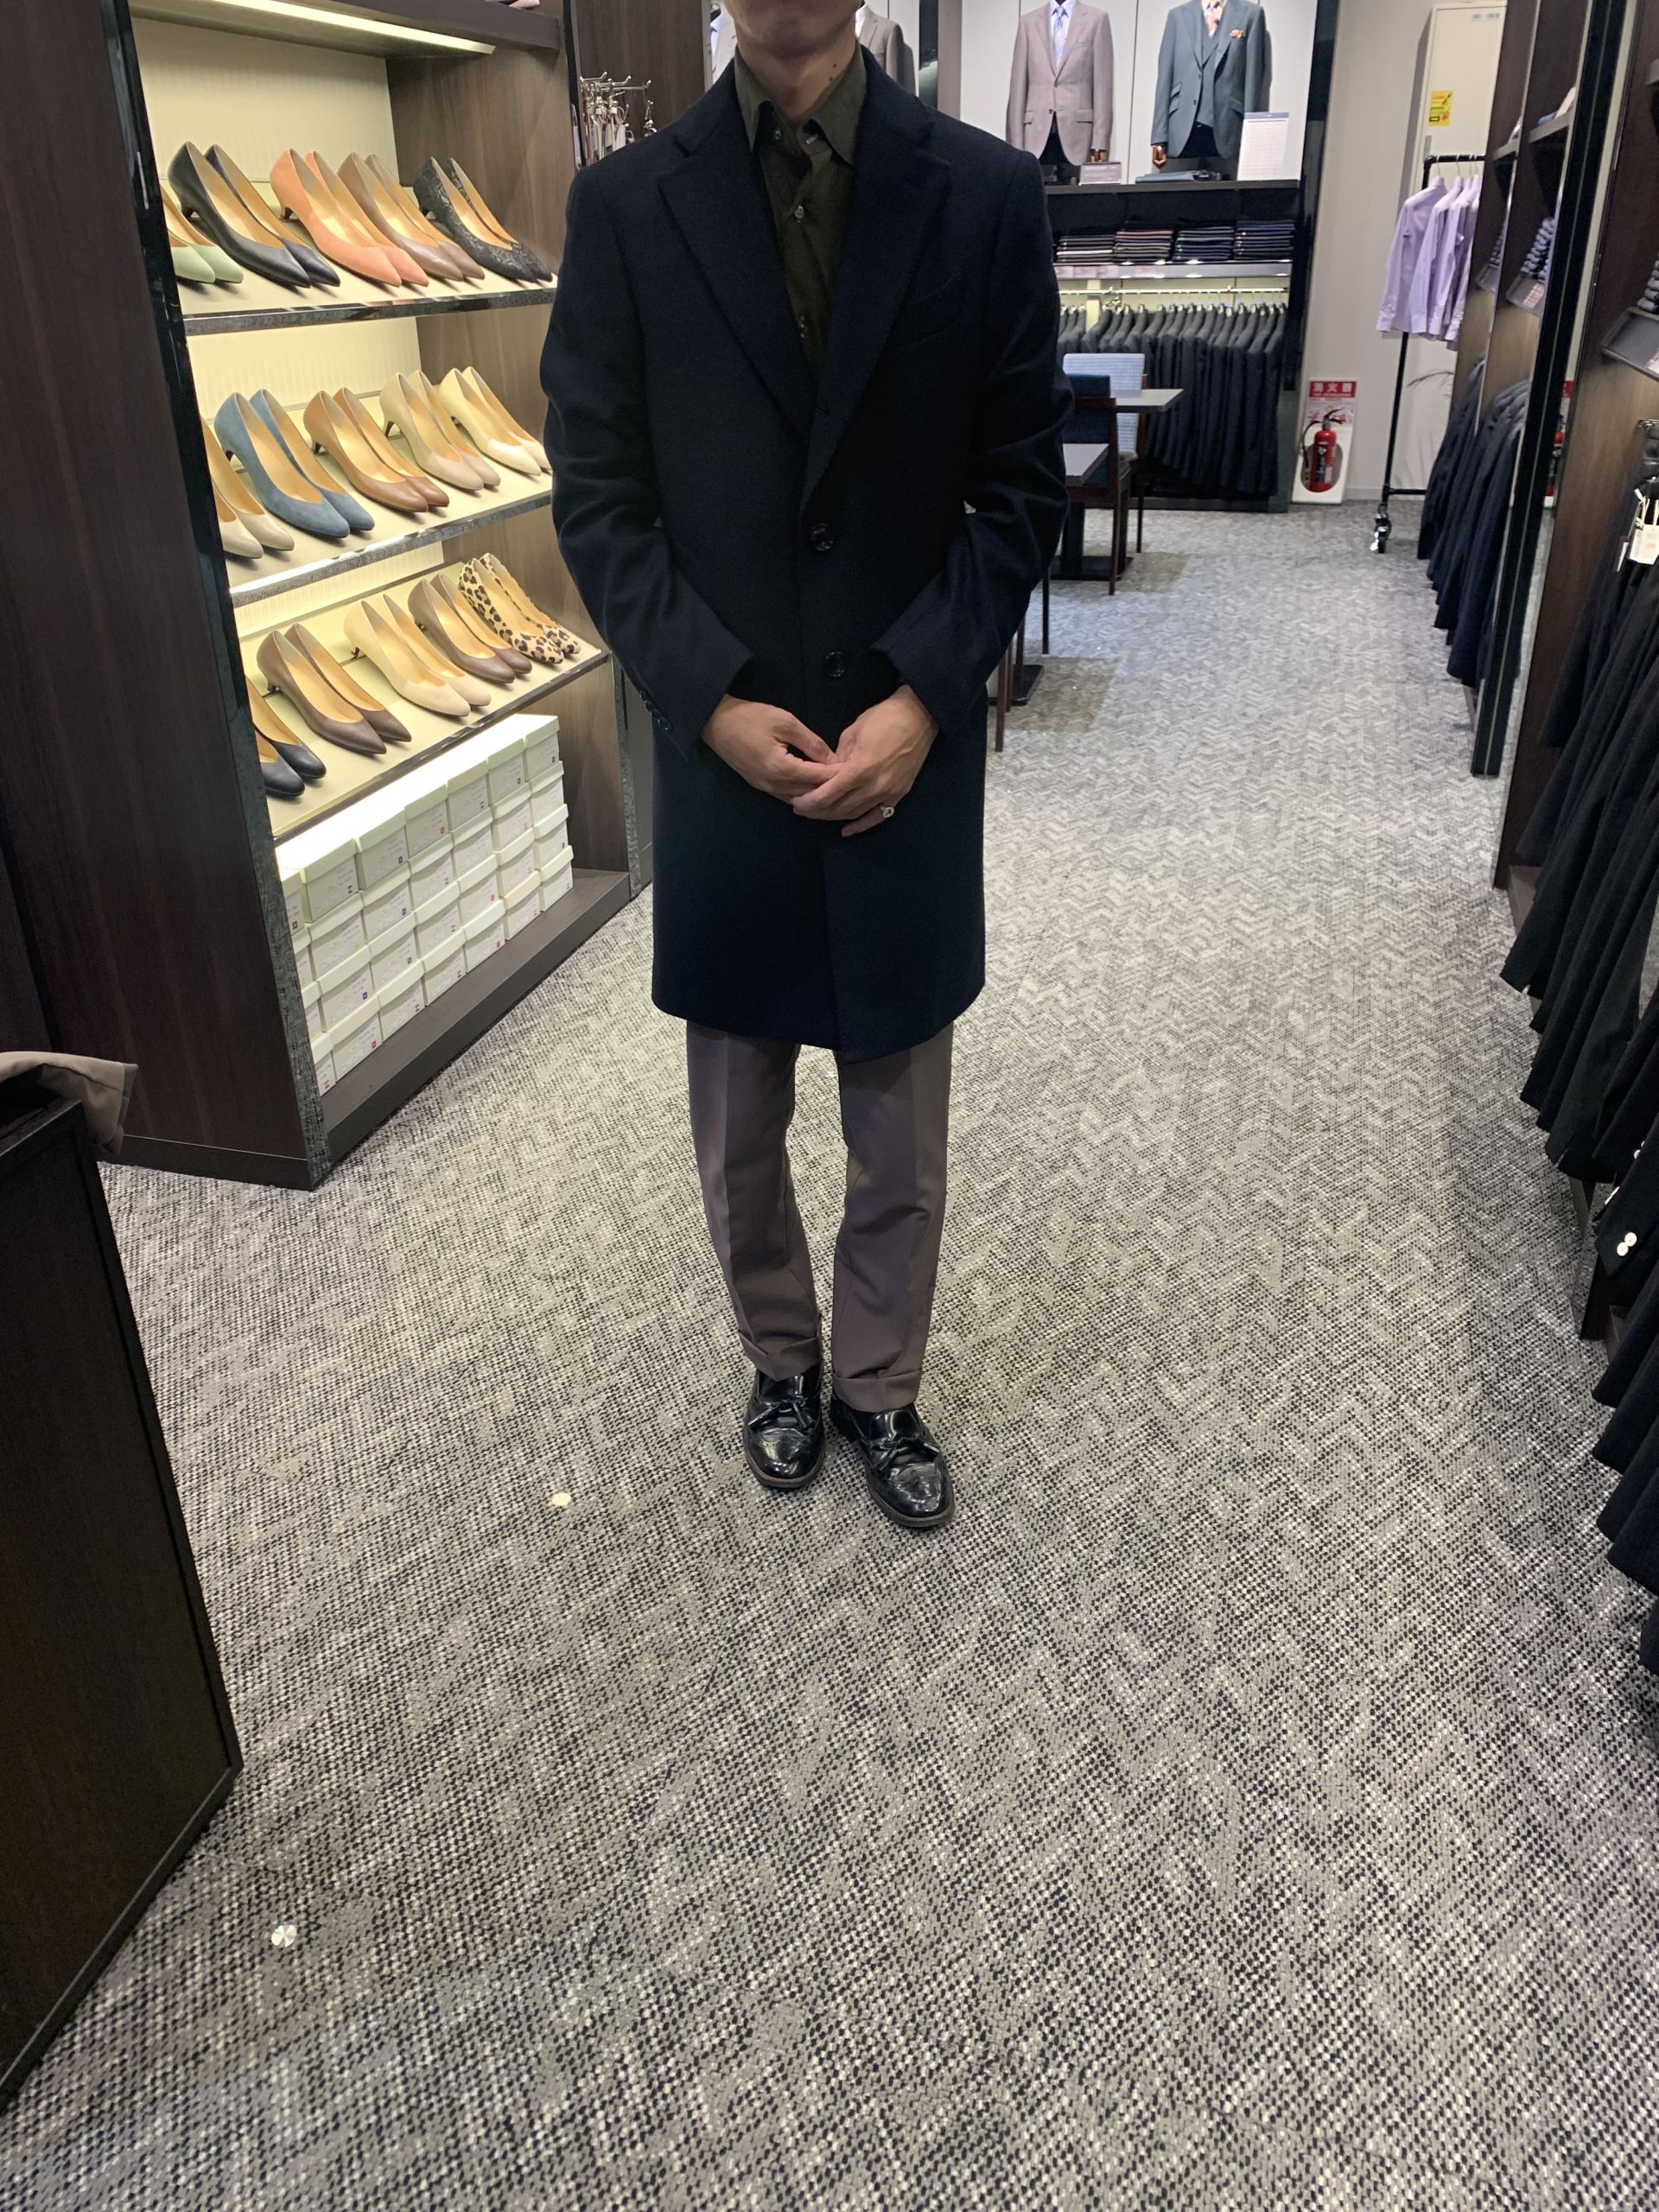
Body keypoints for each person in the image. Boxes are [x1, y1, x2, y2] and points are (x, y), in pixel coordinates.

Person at [542, 0, 1069, 1532]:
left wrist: (927, 695)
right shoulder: (625, 206)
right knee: (739, 1109)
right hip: (725, 736)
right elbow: (599, 493)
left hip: (907, 733)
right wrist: (705, 699)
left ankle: (879, 1382)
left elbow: (1019, 484)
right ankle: (780, 1358)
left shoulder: (984, 193)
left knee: (899, 1106)